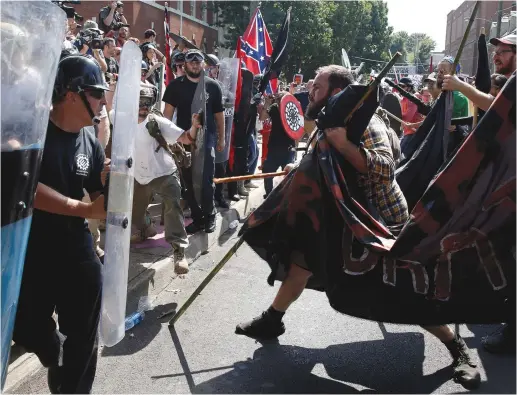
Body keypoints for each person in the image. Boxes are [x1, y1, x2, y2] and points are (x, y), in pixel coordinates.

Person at [236, 64, 480, 390]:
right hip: (340, 217)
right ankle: (272, 321)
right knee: (301, 263)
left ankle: (457, 348)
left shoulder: (367, 123)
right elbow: (325, 163)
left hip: (378, 221)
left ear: (336, 93)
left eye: (318, 87)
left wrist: (345, 145)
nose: (311, 92)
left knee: (404, 292)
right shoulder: (330, 120)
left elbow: (385, 166)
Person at [12, 54, 109, 393]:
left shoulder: (90, 141)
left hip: (75, 247)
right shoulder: (31, 131)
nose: (102, 101)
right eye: (97, 93)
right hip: (31, 247)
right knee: (25, 325)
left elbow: (100, 197)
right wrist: (84, 210)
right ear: (71, 94)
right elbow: (26, 185)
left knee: (82, 336)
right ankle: (45, 342)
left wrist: (115, 185)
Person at [127, 82, 199, 274]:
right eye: (139, 101)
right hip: (138, 175)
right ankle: (145, 229)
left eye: (147, 102)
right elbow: (107, 108)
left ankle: (179, 252)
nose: (143, 106)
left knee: (172, 209)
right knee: (135, 213)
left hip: (164, 173)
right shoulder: (122, 118)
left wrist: (193, 128)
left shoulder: (156, 122)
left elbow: (185, 138)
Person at [162, 49, 225, 234]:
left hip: (207, 140)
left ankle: (210, 216)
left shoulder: (213, 86)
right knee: (188, 182)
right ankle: (198, 219)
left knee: (205, 181)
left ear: (203, 64)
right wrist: (166, 139)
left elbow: (219, 116)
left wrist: (222, 139)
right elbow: (167, 115)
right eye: (191, 62)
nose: (195, 65)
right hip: (183, 139)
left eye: (199, 62)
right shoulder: (175, 86)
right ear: (185, 64)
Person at [259, 91, 296, 198]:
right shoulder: (274, 108)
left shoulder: (291, 108)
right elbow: (262, 118)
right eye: (278, 98)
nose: (278, 99)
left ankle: (286, 197)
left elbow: (297, 128)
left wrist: (295, 148)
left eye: (280, 98)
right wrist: (267, 103)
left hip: (288, 148)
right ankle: (269, 195)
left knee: (288, 175)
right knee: (267, 172)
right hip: (274, 148)